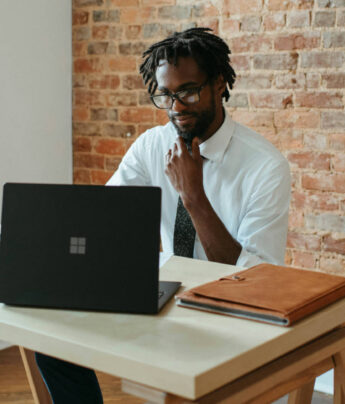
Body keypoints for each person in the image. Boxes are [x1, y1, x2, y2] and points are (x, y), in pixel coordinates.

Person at [35, 27, 291, 403]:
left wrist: (193, 196)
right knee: (51, 339)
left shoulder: (265, 167)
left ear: (219, 84)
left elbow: (255, 279)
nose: (176, 107)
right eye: (165, 95)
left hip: (227, 313)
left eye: (188, 91)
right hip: (164, 296)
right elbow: (103, 217)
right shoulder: (152, 146)